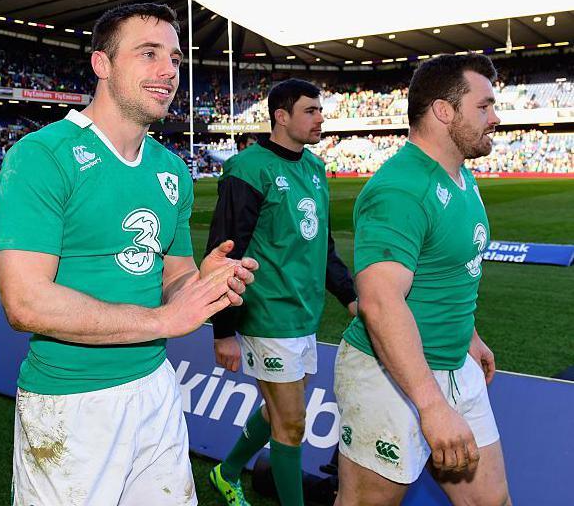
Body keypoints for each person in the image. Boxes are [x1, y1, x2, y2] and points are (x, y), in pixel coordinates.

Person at [0, 3, 258, 505]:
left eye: (176, 59)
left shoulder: (171, 171)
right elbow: (25, 304)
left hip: (156, 387)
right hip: (70, 402)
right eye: (149, 54)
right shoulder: (42, 156)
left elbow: (173, 276)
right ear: (102, 64)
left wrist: (204, 286)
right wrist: (163, 321)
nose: (169, 72)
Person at [334, 54, 510, 505]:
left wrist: (467, 335)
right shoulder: (400, 189)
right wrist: (431, 406)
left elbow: (449, 268)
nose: (496, 118)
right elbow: (379, 302)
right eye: (484, 106)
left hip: (454, 366)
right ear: (444, 111)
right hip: (392, 375)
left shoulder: (461, 177)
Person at [205, 79, 358, 506]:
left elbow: (320, 245)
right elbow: (224, 251)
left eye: (320, 110)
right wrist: (222, 330)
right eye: (310, 110)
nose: (320, 118)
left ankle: (227, 471)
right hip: (266, 313)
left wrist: (349, 296)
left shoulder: (315, 168)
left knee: (278, 413)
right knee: (291, 425)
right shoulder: (248, 169)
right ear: (281, 116)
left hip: (302, 315)